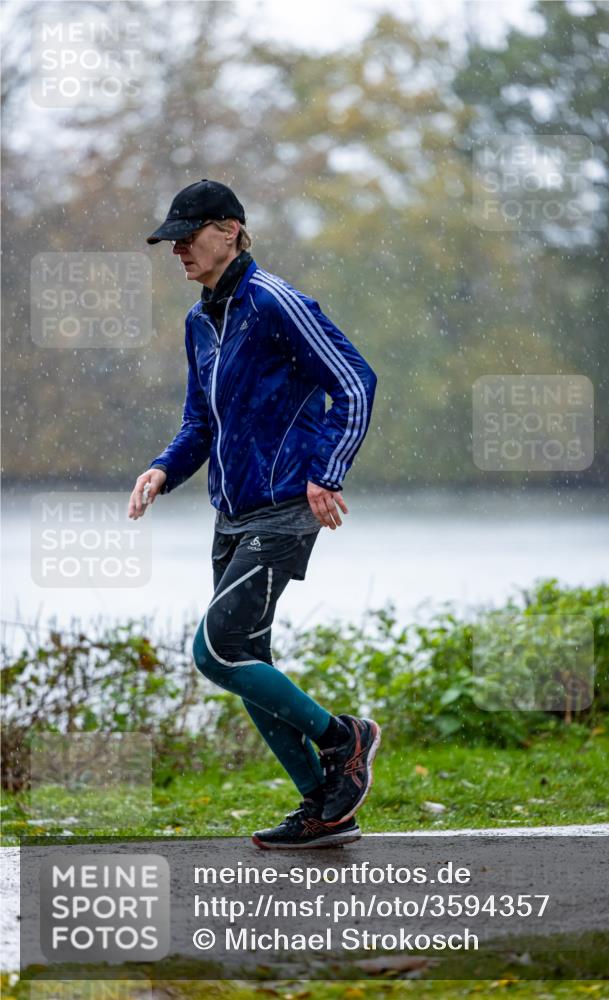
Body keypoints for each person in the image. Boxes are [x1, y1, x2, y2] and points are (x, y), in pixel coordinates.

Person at [128, 179, 381, 849]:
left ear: (231, 230)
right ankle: (326, 809)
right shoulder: (199, 321)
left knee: (214, 653)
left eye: (189, 235)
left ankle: (343, 739)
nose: (178, 248)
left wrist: (325, 473)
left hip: (281, 512)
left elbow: (354, 383)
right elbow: (199, 423)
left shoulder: (276, 304)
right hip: (230, 516)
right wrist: (162, 468)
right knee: (249, 661)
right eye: (171, 240)